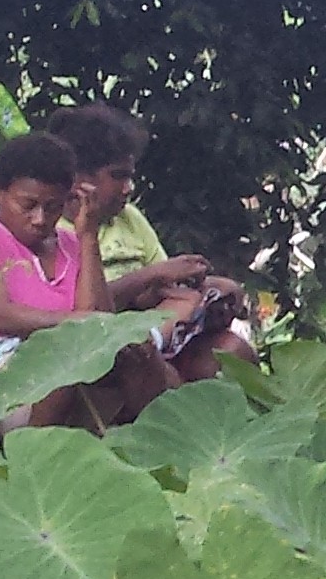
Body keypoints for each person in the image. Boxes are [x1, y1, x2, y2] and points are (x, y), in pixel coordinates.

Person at [52, 103, 245, 387]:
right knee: (149, 364)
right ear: (79, 179)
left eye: (131, 176)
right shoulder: (52, 230)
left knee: (231, 339)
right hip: (101, 346)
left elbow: (165, 291)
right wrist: (150, 276)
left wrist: (187, 284)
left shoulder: (130, 217)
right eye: (118, 176)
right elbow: (79, 310)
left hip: (155, 322)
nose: (128, 187)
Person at [0, 132, 95, 423]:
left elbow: (98, 316)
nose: (40, 218)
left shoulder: (72, 244)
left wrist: (89, 236)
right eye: (28, 205)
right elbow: (1, 316)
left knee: (138, 355)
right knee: (68, 365)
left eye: (53, 207)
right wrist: (75, 321)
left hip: (69, 369)